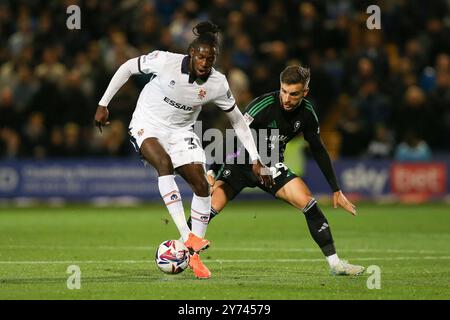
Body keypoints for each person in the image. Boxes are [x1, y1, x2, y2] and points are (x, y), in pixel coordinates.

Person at [94, 21, 273, 279]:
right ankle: (188, 236)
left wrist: (256, 158)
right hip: (147, 124)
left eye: (210, 59)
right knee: (163, 163)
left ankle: (194, 256)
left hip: (181, 132)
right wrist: (103, 103)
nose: (204, 63)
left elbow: (237, 121)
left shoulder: (217, 83)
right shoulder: (164, 61)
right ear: (191, 53)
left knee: (202, 186)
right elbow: (128, 67)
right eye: (201, 57)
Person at [189, 65, 365, 276]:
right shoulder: (263, 106)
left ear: (305, 93)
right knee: (206, 211)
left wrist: (336, 189)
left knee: (308, 203)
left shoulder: (307, 114)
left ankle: (336, 265)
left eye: (293, 94)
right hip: (238, 163)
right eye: (283, 91)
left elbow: (318, 149)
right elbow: (234, 135)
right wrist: (212, 170)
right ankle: (185, 254)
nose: (287, 98)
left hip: (270, 167)